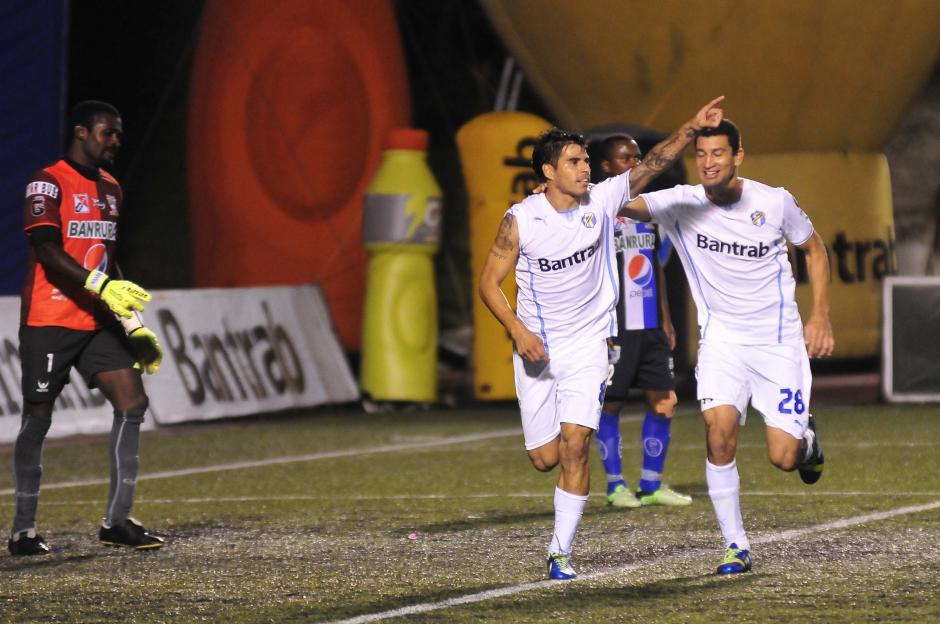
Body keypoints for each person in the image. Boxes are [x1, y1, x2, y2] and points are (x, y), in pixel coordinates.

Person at [478, 96, 724, 580]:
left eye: (586, 160)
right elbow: (489, 284)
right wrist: (519, 330)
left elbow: (654, 164)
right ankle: (560, 538)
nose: (584, 168)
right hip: (536, 349)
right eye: (574, 161)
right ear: (549, 171)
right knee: (545, 459)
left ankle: (559, 554)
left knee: (575, 446)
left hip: (589, 346)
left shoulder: (604, 200)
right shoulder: (521, 219)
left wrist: (692, 128)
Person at [617, 119, 833, 574]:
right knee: (718, 437)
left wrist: (820, 316)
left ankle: (806, 440)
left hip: (777, 344)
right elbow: (616, 200)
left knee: (783, 457)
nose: (709, 162)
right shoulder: (680, 203)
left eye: (718, 153)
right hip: (723, 343)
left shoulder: (775, 201)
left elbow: (813, 250)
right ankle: (736, 545)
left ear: (738, 156)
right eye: (702, 154)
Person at [10, 100, 166, 556]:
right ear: (81, 132)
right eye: (107, 133)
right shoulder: (47, 181)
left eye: (118, 134)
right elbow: (46, 249)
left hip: (96, 320)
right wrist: (98, 282)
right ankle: (23, 530)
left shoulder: (113, 189)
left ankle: (117, 522)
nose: (115, 141)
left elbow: (107, 258)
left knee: (133, 400)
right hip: (50, 318)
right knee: (38, 419)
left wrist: (132, 324)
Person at [590, 135, 692, 509]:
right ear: (606, 167)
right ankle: (616, 485)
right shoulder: (595, 208)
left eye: (636, 157)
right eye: (625, 158)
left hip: (649, 322)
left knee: (664, 401)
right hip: (615, 324)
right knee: (609, 404)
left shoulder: (648, 210)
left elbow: (656, 267)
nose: (633, 163)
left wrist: (666, 318)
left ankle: (651, 484)